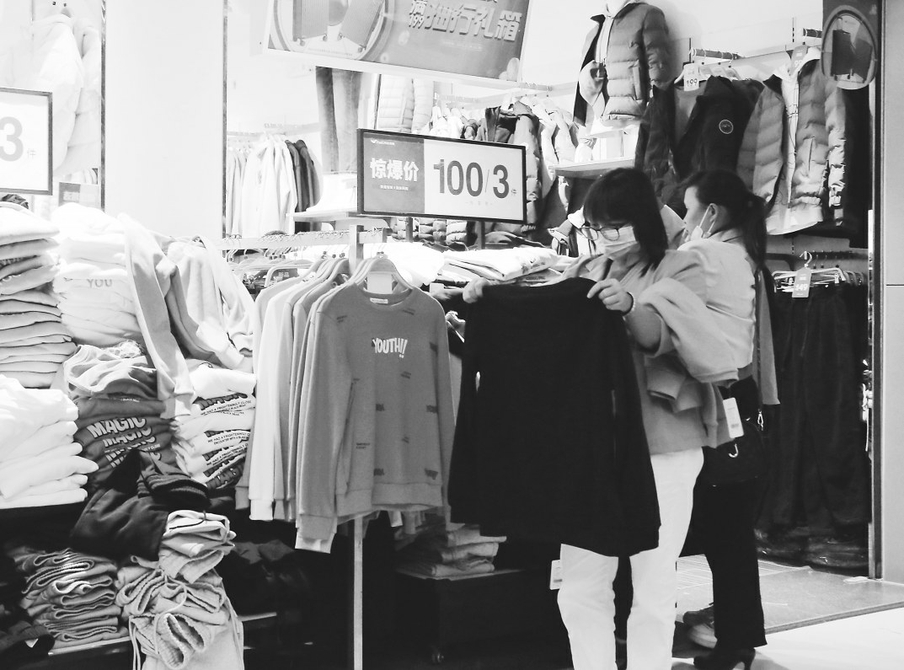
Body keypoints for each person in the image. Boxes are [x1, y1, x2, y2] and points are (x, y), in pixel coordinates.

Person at [465, 167, 738, 670]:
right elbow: (544, 320)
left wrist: (629, 307)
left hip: (663, 446)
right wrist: (494, 302)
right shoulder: (585, 269)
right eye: (598, 227)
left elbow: (674, 333)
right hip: (592, 448)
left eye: (616, 226)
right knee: (579, 585)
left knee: (652, 583)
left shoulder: (681, 267)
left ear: (643, 219)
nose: (607, 236)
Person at [678, 169, 778, 670]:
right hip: (739, 396)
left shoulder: (706, 253)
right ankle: (737, 641)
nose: (685, 220)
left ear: (711, 213)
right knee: (732, 532)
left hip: (713, 401)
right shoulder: (744, 255)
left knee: (714, 526)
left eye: (689, 210)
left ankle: (732, 643)